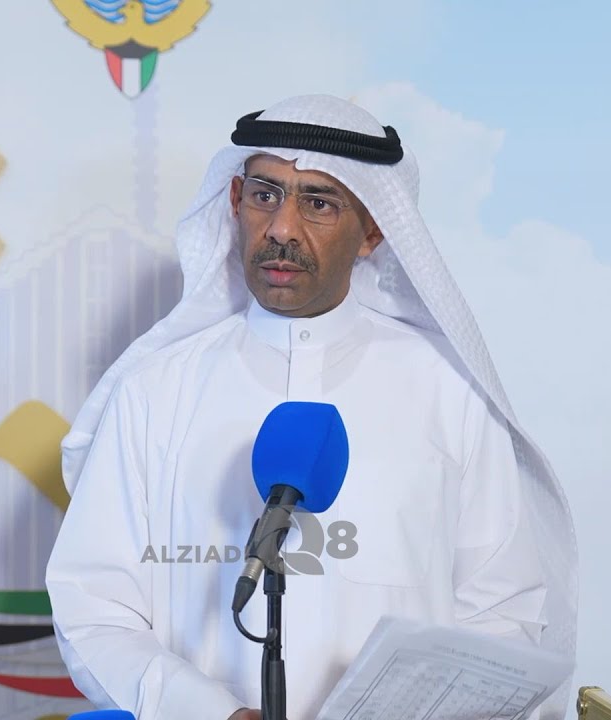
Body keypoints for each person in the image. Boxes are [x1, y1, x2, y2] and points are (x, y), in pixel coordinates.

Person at [46, 95, 577, 720]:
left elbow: (503, 612)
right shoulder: (155, 391)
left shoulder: (448, 391)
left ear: (373, 230)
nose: (281, 228)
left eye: (319, 203)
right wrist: (209, 712)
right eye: (264, 195)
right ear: (235, 200)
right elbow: (95, 610)